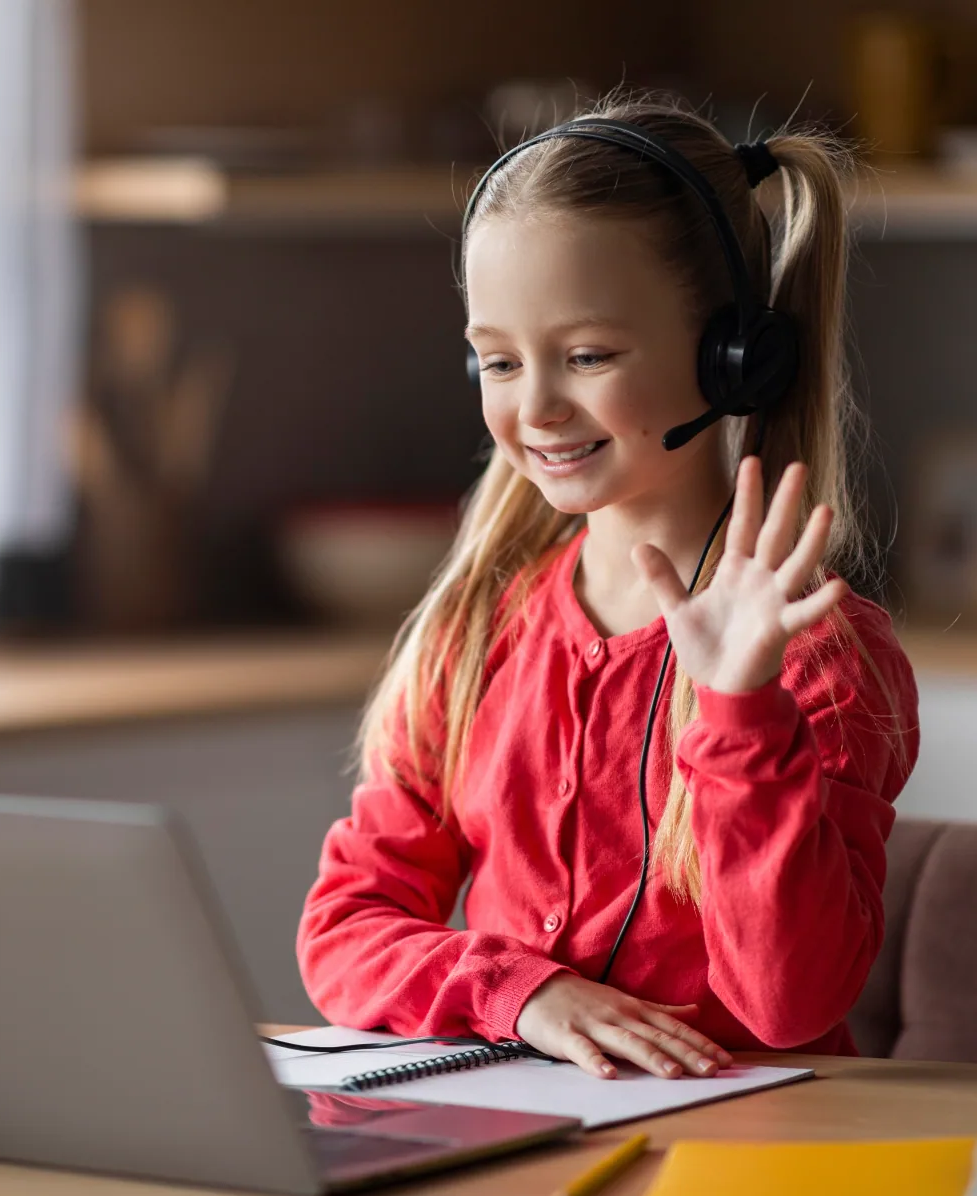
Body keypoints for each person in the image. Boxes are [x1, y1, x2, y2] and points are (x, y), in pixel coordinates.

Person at [296, 96, 919, 1081]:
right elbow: (345, 927)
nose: (537, 406)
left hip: (744, 1140)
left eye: (587, 356)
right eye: (499, 361)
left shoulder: (818, 655)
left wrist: (740, 711)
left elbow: (791, 1004)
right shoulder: (477, 631)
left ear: (734, 358)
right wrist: (523, 993)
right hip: (519, 1134)